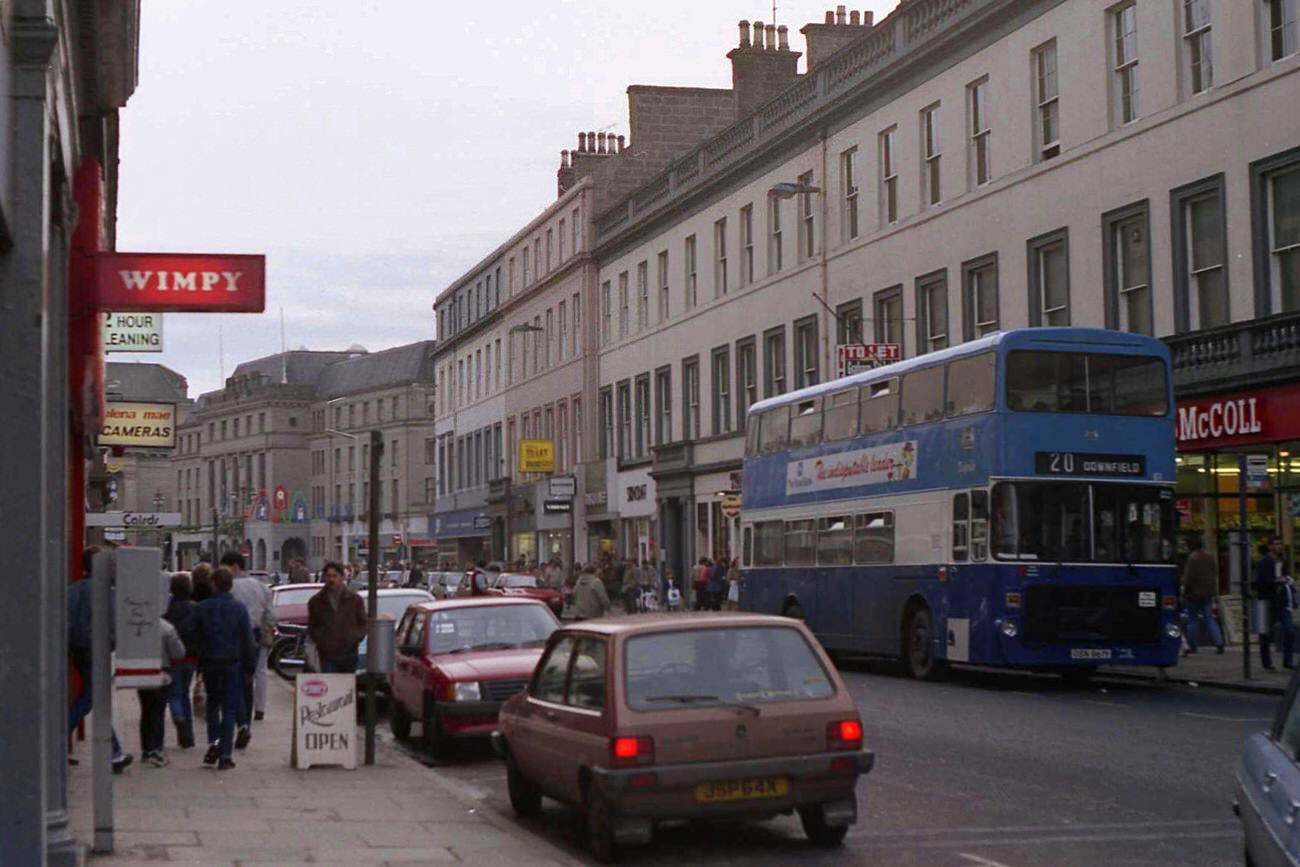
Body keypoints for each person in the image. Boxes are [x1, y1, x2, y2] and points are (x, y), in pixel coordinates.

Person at [67, 546, 132, 773]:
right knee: (89, 698)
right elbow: (115, 627)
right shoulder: (108, 593)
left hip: (79, 650)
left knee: (96, 698)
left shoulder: (73, 590)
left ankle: (115, 752)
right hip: (99, 651)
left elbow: (67, 622)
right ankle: (59, 736)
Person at [195, 567, 257, 770]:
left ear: (213, 584)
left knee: (213, 704)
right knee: (230, 708)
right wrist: (250, 668)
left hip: (209, 662)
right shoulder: (239, 608)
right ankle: (225, 754)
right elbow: (248, 641)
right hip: (232, 663)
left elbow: (196, 636)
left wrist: (198, 662)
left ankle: (214, 742)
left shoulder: (202, 607)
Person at [224, 552, 274, 746]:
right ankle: (254, 714)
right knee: (255, 674)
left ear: (234, 566)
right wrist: (266, 627)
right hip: (255, 634)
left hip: (233, 637)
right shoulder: (260, 587)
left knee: (235, 680)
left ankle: (240, 720)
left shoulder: (229, 587)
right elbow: (271, 615)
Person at [138, 614, 186, 767]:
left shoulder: (136, 625)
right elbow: (179, 652)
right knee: (158, 711)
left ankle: (146, 748)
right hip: (161, 671)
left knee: (146, 710)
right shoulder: (166, 627)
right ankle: (156, 748)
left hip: (141, 670)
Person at [306, 561, 367, 673]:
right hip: (327, 653)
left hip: (349, 651)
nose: (331, 580)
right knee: (331, 686)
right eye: (329, 576)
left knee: (347, 686)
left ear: (342, 577)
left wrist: (356, 637)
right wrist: (321, 640)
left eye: (335, 576)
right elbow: (312, 626)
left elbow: (363, 621)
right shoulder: (316, 601)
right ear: (324, 577)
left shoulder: (354, 599)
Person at [164, 573, 200, 748]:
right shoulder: (195, 607)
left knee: (174, 692)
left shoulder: (168, 608)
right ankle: (188, 735)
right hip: (191, 655)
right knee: (185, 691)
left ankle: (178, 716)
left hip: (173, 655)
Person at [1255, 536, 1295, 671]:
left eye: (1280, 544)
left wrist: (1287, 580)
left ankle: (1287, 661)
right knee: (1265, 634)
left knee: (1289, 630)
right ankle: (1267, 663)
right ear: (1270, 546)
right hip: (1266, 602)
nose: (1280, 546)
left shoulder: (1282, 561)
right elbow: (1260, 583)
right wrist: (1277, 581)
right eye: (1277, 544)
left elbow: (1284, 577)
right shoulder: (1263, 562)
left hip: (1281, 602)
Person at [1181, 535, 1224, 655]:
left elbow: (1189, 577)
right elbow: (1214, 573)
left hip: (1194, 593)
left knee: (1192, 619)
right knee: (1209, 618)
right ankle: (1219, 642)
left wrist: (1185, 591)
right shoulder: (1209, 557)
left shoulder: (1192, 558)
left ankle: (1192, 645)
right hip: (1208, 592)